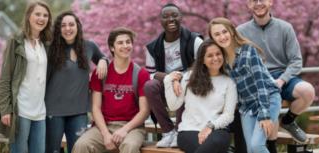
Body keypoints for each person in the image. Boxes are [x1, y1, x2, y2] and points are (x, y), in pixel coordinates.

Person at [237, 0, 315, 148]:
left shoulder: (285, 28)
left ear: (270, 2)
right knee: (272, 101)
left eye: (262, 0)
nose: (258, 3)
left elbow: (296, 61)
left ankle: (288, 121)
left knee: (308, 91)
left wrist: (282, 80)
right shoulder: (241, 31)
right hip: (258, 79)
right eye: (254, 1)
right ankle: (271, 147)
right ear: (248, 5)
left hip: (282, 76)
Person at [208, 17, 281, 153]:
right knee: (250, 150)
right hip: (247, 107)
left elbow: (261, 84)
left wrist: (265, 115)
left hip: (267, 100)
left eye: (224, 32)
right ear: (213, 38)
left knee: (257, 146)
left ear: (232, 32)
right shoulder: (221, 61)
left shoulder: (248, 51)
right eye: (217, 34)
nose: (222, 37)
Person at [72, 27, 150, 153]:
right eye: (120, 43)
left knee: (129, 146)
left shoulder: (141, 74)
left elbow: (144, 111)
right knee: (82, 145)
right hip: (104, 126)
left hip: (132, 127)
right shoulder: (101, 73)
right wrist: (105, 134)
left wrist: (125, 129)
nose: (125, 46)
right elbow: (95, 108)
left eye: (128, 42)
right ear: (112, 48)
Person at [45, 11, 108, 153]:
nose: (68, 28)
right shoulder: (50, 49)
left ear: (78, 27)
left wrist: (103, 60)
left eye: (71, 24)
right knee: (52, 150)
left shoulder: (89, 46)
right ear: (58, 29)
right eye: (63, 25)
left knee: (78, 149)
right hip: (53, 112)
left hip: (79, 112)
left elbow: (104, 58)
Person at [144, 3, 203, 147]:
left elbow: (202, 68)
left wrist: (180, 78)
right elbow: (150, 74)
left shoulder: (195, 40)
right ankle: (168, 131)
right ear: (160, 20)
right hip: (166, 87)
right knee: (149, 86)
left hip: (192, 88)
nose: (170, 19)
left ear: (181, 17)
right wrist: (169, 78)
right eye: (166, 16)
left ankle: (179, 131)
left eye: (174, 15)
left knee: (187, 82)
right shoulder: (152, 47)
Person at [164, 39, 237, 153]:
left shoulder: (229, 82)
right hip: (189, 131)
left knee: (216, 142)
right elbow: (173, 106)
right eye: (210, 55)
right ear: (202, 59)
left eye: (218, 54)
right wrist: (168, 80)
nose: (215, 58)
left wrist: (210, 127)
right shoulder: (189, 77)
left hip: (216, 130)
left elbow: (228, 115)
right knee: (211, 148)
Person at [0, 1, 52, 153]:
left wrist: (101, 58)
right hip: (20, 111)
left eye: (45, 15)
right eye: (38, 14)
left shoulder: (46, 44)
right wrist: (5, 109)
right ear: (29, 16)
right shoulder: (16, 42)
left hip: (40, 112)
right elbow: (5, 78)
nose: (42, 18)